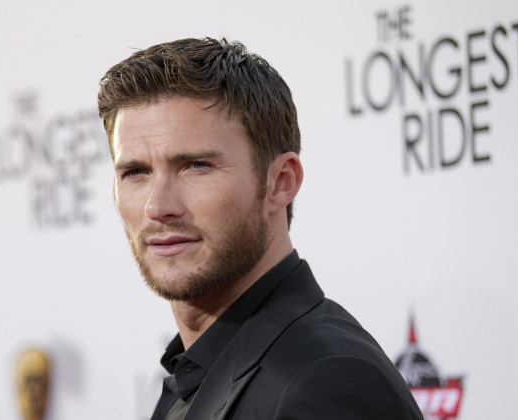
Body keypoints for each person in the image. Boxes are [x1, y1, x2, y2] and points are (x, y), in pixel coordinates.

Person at [97, 38, 423, 420]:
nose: (157, 207)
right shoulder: (193, 375)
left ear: (280, 182)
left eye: (196, 166)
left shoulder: (325, 381)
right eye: (135, 172)